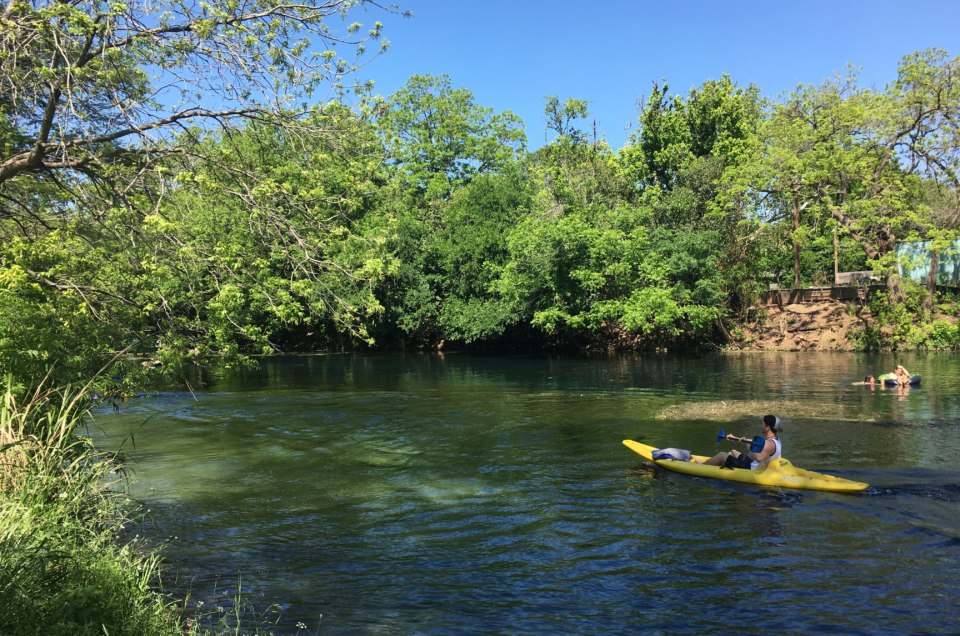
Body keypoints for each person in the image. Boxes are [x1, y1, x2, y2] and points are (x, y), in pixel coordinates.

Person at [699, 415, 782, 469]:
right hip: (755, 465)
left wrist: (748, 445)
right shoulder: (776, 441)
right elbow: (757, 443)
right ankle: (714, 465)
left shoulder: (769, 444)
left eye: (763, 424)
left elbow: (758, 458)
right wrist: (737, 438)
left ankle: (700, 468)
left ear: (767, 427)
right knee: (733, 452)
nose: (761, 426)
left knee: (722, 455)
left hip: (752, 468)